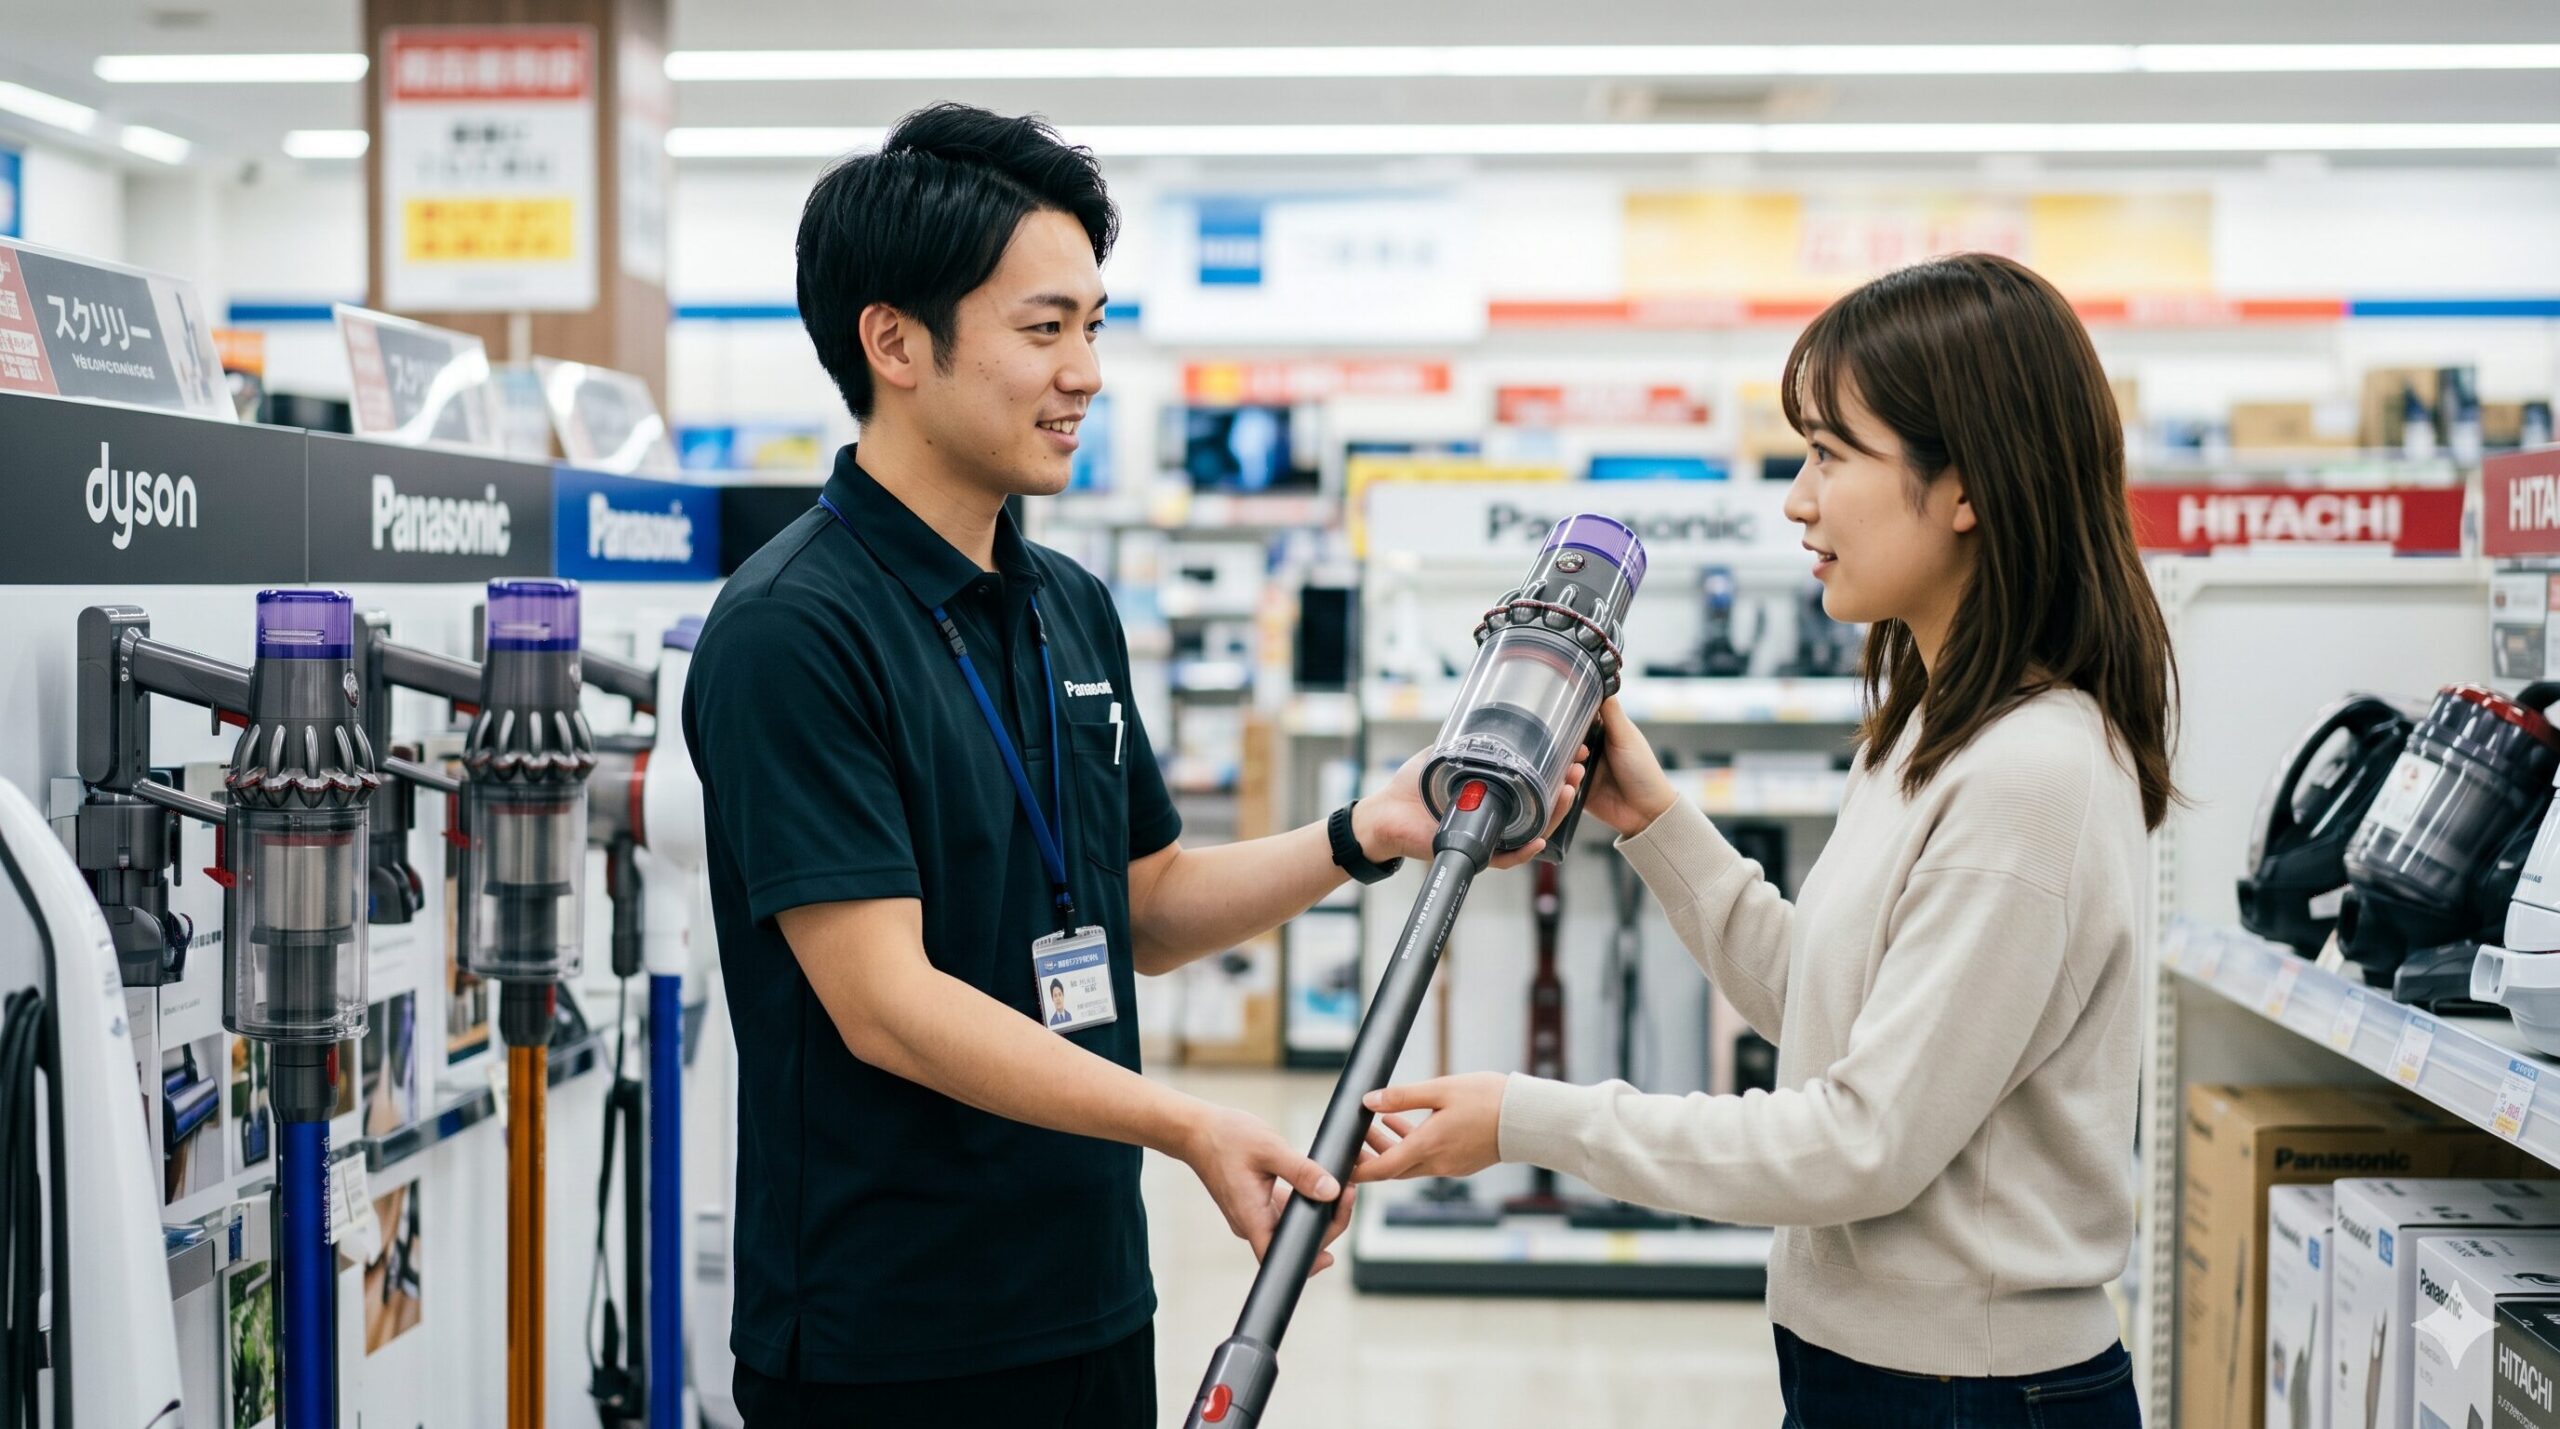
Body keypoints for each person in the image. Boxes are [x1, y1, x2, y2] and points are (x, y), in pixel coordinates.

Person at [684, 103, 1561, 1427]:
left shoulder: (1066, 603)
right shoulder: (792, 631)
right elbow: (884, 1004)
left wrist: (1360, 831)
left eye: (1094, 326)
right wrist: (1186, 1121)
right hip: (886, 1334)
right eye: (1045, 330)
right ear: (893, 342)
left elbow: (1142, 901)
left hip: (1089, 1293)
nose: (1087, 370)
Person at [1355, 252, 2173, 1429]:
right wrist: (1653, 823)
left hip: (1978, 1394)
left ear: (1967, 487)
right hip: (1874, 1371)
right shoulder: (1928, 729)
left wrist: (1530, 1121)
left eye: (1831, 455)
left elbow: (1863, 1140)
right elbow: (1835, 1011)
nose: (1796, 498)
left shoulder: (2028, 774)